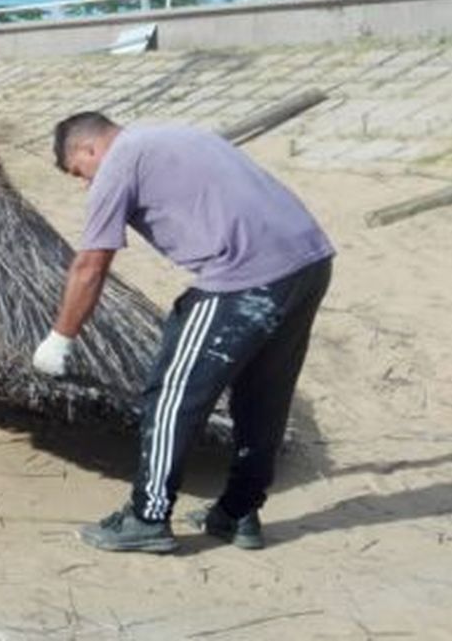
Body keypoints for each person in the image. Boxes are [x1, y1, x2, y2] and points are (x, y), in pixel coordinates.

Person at [35, 112, 334, 553]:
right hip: (310, 260)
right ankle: (237, 514)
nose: (86, 184)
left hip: (243, 275)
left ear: (87, 149)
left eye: (81, 173)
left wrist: (60, 339)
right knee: (264, 395)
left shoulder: (119, 163)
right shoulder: (173, 133)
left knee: (173, 393)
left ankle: (147, 518)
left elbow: (90, 264)